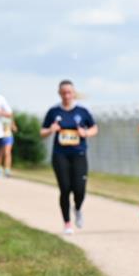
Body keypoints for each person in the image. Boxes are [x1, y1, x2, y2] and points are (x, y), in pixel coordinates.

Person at [41, 81, 98, 234]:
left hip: (79, 154)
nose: (66, 95)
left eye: (69, 92)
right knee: (65, 188)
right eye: (63, 93)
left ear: (73, 93)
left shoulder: (82, 111)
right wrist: (51, 130)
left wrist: (85, 133)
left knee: (79, 188)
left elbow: (94, 128)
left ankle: (77, 208)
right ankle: (67, 223)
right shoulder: (54, 111)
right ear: (59, 93)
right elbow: (42, 132)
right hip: (60, 155)